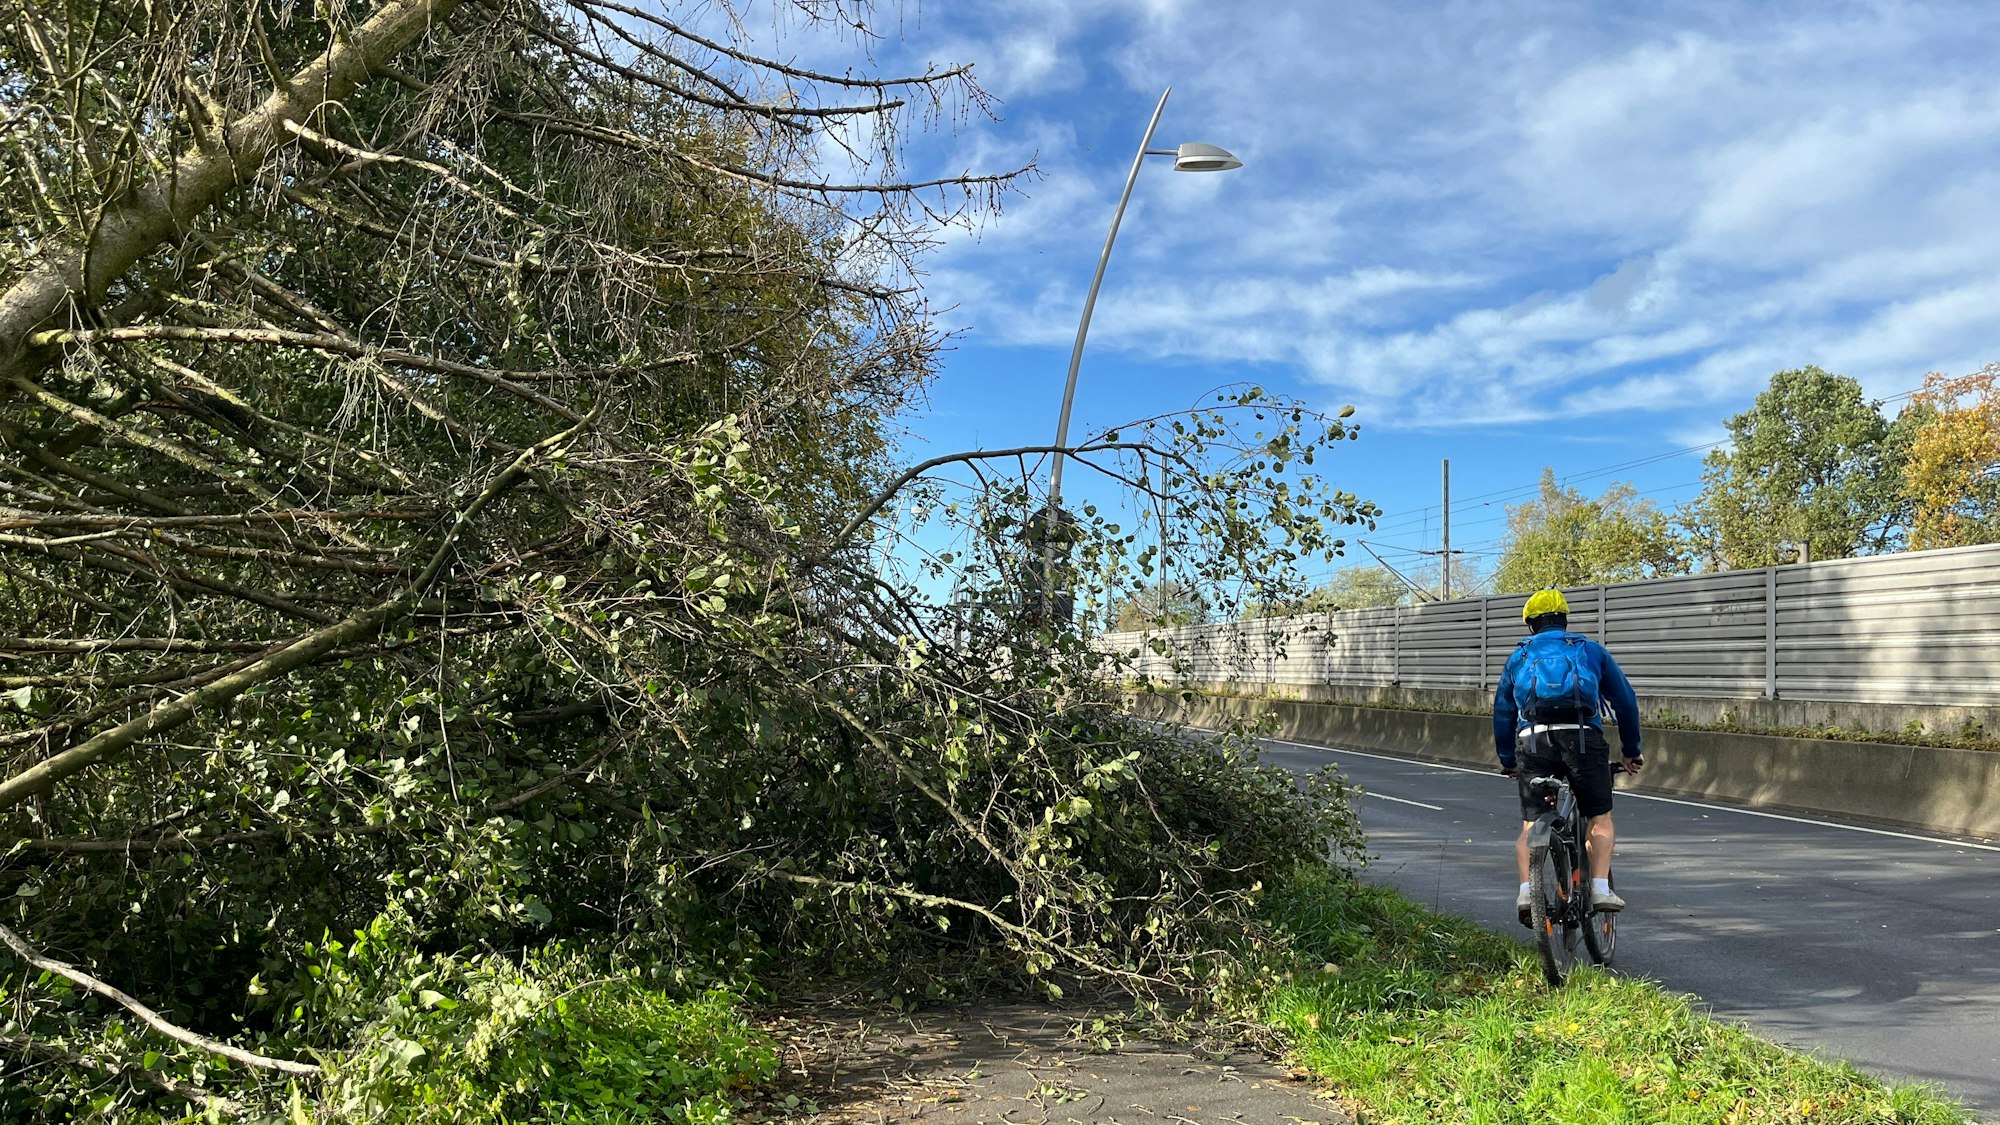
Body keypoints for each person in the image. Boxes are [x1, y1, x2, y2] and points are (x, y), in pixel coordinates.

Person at [1493, 589, 1644, 923]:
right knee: (1599, 817)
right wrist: (1631, 751)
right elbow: (1626, 702)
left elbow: (1503, 709)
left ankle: (1526, 892)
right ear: (1565, 619)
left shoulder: (1520, 655)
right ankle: (1601, 888)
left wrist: (1508, 759)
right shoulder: (1589, 650)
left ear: (1531, 624)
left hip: (1533, 743)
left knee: (1532, 824)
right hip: (1582, 739)